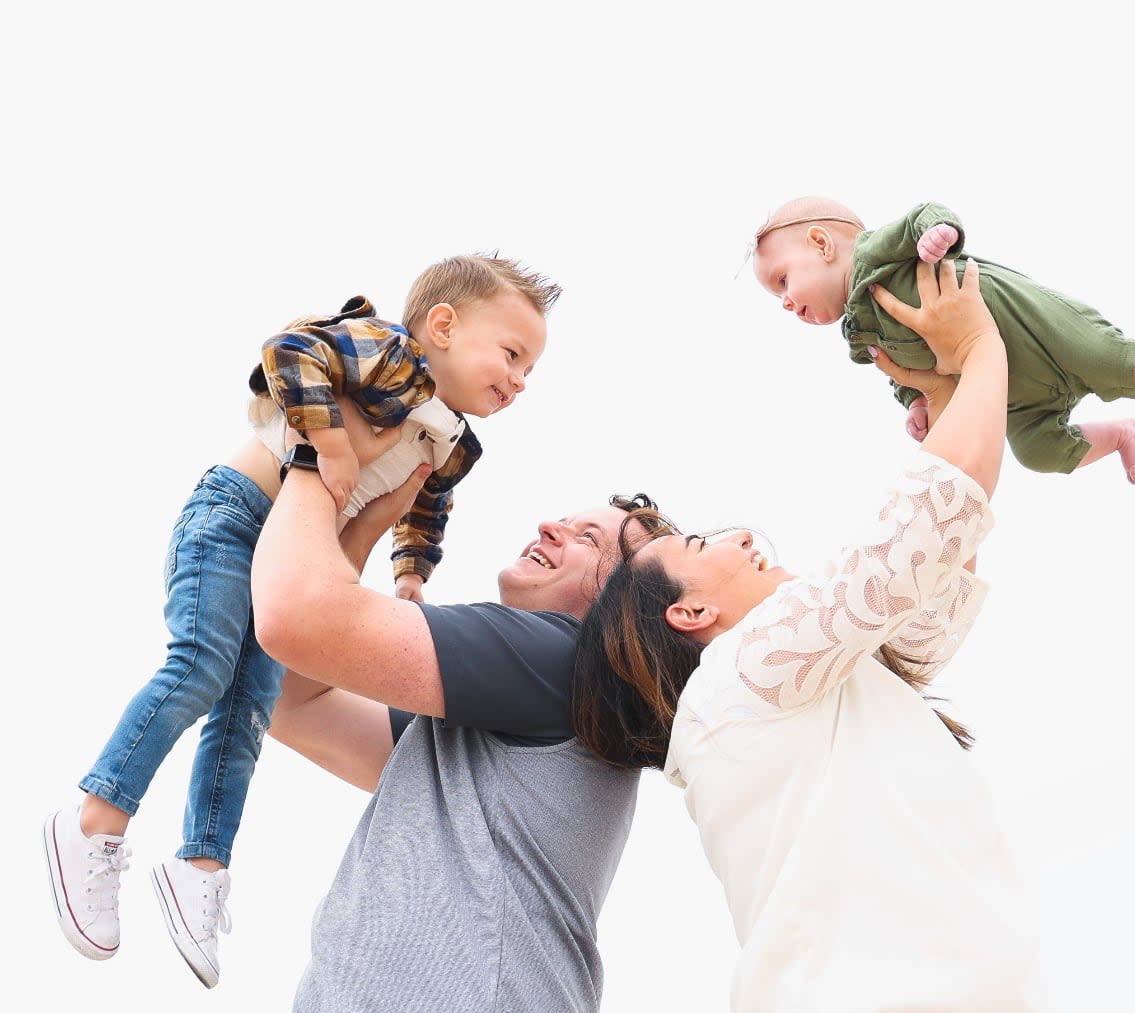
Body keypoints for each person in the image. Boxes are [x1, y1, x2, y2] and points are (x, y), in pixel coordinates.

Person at [42, 254, 558, 988]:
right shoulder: (390, 353)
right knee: (201, 664)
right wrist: (333, 439)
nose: (518, 380)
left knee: (250, 709)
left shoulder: (453, 443)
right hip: (236, 516)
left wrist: (411, 572)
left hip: (296, 561)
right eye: (512, 354)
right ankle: (94, 818)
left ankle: (201, 865)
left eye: (529, 368)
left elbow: (426, 509)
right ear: (443, 326)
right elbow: (291, 350)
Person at [572, 259, 1044, 1011]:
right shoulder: (738, 674)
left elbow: (935, 567)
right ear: (690, 614)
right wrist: (982, 344)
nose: (740, 538)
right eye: (701, 544)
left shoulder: (809, 684)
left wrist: (949, 392)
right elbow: (923, 528)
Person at [250, 422, 667, 1012]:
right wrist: (368, 522)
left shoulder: (564, 658)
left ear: (620, 604)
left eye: (587, 538)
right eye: (566, 521)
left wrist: (320, 449)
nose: (550, 526)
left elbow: (293, 618)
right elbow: (290, 699)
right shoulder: (501, 714)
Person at [750, 195, 1135, 484]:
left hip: (1028, 326)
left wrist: (936, 234)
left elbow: (925, 211)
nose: (787, 304)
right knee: (1037, 453)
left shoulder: (874, 255)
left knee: (1105, 355)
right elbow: (902, 376)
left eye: (782, 281)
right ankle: (1120, 433)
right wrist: (916, 404)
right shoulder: (858, 335)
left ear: (821, 243)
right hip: (1010, 392)